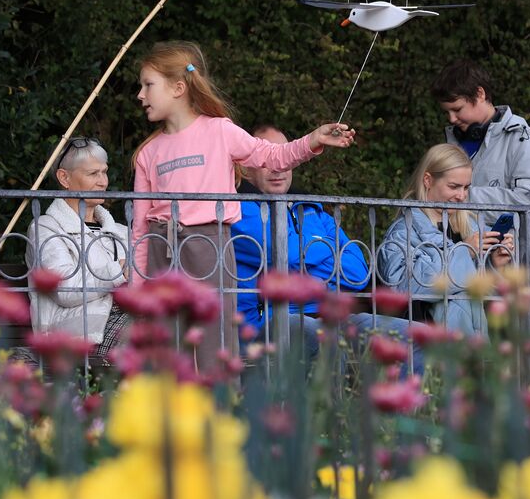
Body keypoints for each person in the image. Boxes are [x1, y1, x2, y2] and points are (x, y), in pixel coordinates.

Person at [130, 41, 354, 378]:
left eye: (148, 85)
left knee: (212, 344)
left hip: (208, 248)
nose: (140, 95)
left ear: (178, 88)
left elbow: (271, 156)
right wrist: (137, 288)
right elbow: (140, 227)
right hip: (163, 252)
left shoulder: (219, 131)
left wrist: (314, 140)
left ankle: (220, 415)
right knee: (168, 349)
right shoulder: (148, 153)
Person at [231, 123, 369, 354]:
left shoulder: (310, 209)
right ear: (245, 169)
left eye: (284, 158)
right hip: (268, 324)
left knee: (408, 335)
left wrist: (299, 260)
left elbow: (357, 274)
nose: (278, 169)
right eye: (268, 159)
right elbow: (289, 254)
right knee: (323, 339)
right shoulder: (238, 209)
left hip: (326, 317)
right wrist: (327, 250)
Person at [378, 144, 515, 337]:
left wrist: (495, 264)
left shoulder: (469, 225)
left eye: (466, 187)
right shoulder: (402, 232)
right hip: (423, 345)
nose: (461, 196)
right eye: (454, 186)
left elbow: (484, 296)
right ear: (428, 180)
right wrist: (464, 251)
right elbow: (403, 289)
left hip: (472, 342)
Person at [431, 60, 530, 267]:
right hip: (460, 266)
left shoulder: (520, 139)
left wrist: (466, 198)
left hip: (509, 269)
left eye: (457, 109)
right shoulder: (453, 140)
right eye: (447, 112)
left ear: (480, 94)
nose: (451, 118)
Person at [27, 137, 130, 360]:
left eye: (104, 172)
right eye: (93, 174)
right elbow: (64, 290)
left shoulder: (121, 231)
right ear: (64, 178)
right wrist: (118, 271)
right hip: (77, 333)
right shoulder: (46, 228)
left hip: (122, 320)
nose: (103, 181)